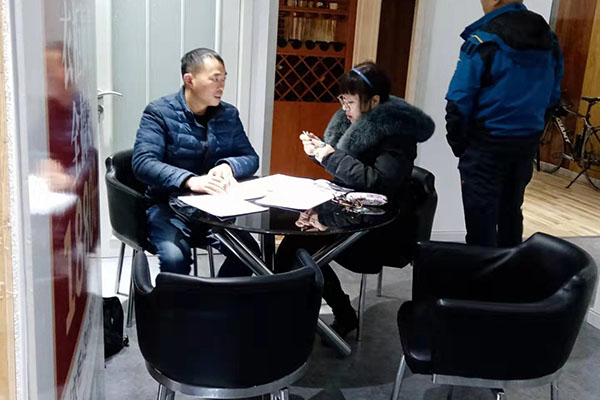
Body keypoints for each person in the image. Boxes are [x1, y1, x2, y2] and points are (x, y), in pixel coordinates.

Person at [275, 62, 435, 337]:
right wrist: (320, 152)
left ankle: (329, 316)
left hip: (380, 227)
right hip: (351, 212)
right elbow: (348, 171)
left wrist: (330, 156)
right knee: (293, 246)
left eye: (350, 102)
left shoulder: (397, 134)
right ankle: (310, 315)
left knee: (297, 251)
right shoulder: (353, 124)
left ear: (374, 101)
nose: (344, 109)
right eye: (342, 101)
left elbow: (377, 181)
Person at [445, 0, 564, 247]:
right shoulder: (549, 40)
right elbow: (553, 95)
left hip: (485, 144)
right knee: (511, 212)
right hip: (525, 142)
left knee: (480, 221)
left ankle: (483, 271)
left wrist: (461, 146)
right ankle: (512, 268)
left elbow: (459, 101)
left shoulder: (483, 40)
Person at [132, 48, 260, 276]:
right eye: (214, 79)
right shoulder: (159, 112)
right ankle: (176, 300)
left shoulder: (228, 114)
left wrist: (228, 165)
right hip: (168, 206)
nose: (221, 86)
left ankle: (215, 298)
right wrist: (189, 180)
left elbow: (250, 158)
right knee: (175, 259)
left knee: (250, 254)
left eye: (224, 79)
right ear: (189, 80)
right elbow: (143, 162)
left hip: (214, 209)